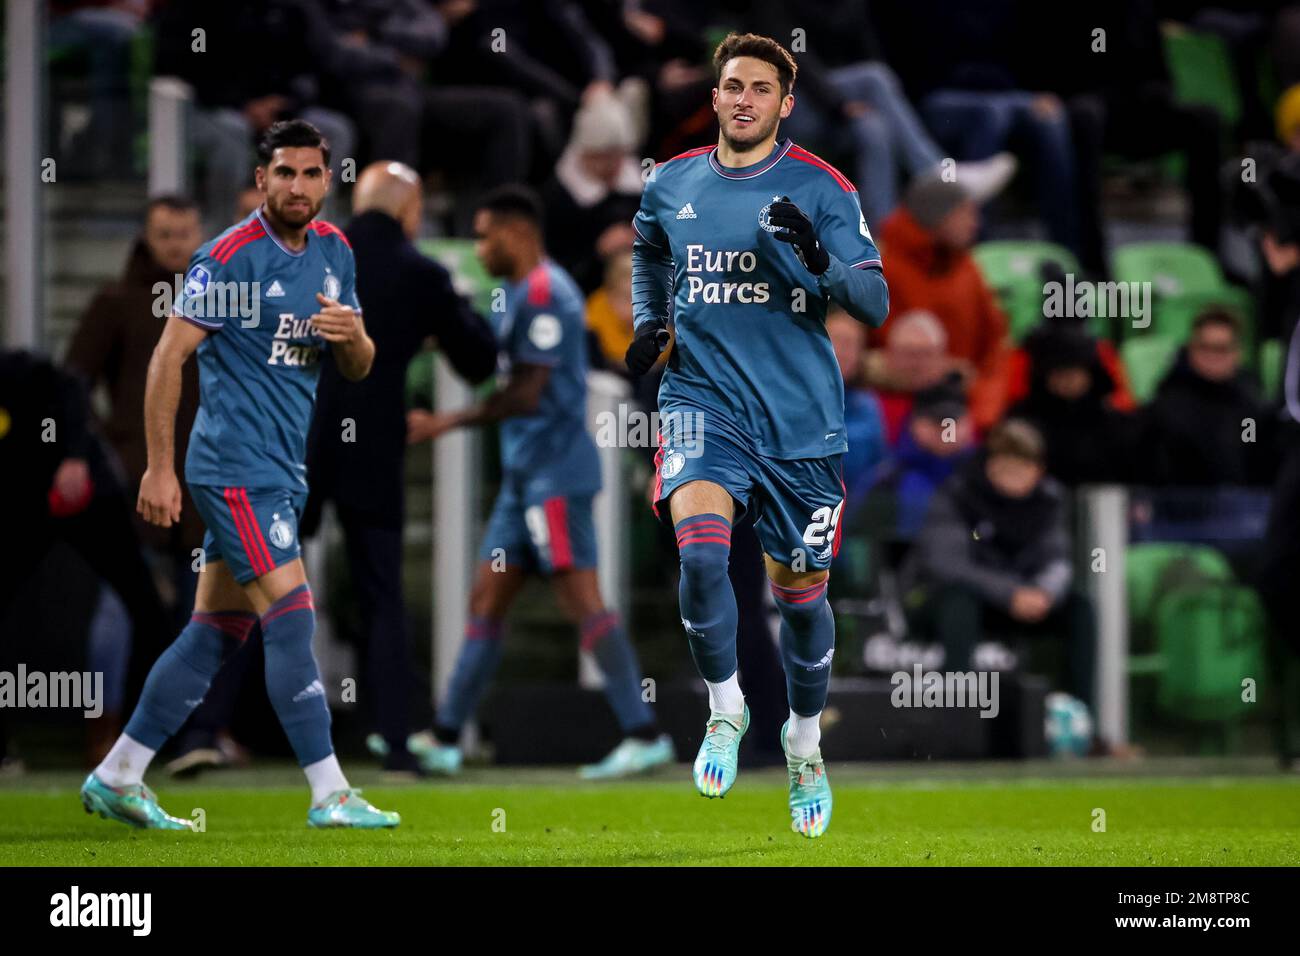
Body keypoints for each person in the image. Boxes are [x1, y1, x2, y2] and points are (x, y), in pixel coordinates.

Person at [80, 120, 399, 830]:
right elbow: (169, 358)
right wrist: (160, 469)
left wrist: (357, 338)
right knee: (291, 616)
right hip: (232, 468)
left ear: (327, 180)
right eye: (283, 173)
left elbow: (358, 364)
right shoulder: (228, 259)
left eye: (311, 173)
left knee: (216, 630)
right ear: (261, 180)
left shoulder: (335, 252)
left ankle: (120, 773)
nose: (297, 186)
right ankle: (330, 792)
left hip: (282, 470)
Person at [626, 33, 889, 838]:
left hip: (801, 425)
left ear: (784, 104)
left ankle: (804, 743)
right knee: (701, 553)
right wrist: (649, 321)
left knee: (800, 599)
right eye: (732, 85)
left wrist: (814, 259)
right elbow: (648, 249)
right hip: (702, 406)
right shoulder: (671, 182)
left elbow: (873, 304)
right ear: (714, 98)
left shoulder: (822, 188)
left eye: (760, 89)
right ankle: (726, 706)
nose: (744, 99)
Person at [407, 185, 673, 780]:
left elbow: (526, 393)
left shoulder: (550, 294)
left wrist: (445, 421)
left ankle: (644, 732)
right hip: (524, 482)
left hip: (555, 478)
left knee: (582, 601)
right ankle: (447, 737)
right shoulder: (514, 294)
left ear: (516, 233)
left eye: (484, 235)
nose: (479, 248)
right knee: (487, 599)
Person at [305, 160, 498, 775]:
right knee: (381, 594)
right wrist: (441, 328)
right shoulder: (419, 273)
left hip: (296, 438)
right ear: (410, 210)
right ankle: (393, 738)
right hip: (373, 446)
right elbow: (478, 359)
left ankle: (204, 726)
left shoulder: (310, 254)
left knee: (249, 576)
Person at [903, 419, 1097, 715]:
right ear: (990, 465)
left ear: (1038, 471)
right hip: (952, 599)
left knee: (1080, 607)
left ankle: (1081, 718)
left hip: (1022, 601)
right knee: (959, 603)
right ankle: (954, 720)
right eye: (1006, 468)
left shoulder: (1049, 500)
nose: (1013, 478)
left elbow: (1058, 559)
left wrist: (1044, 593)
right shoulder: (958, 494)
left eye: (1022, 470)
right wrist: (1010, 593)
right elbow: (948, 565)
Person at [869, 169, 1014, 431]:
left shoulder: (967, 268)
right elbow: (857, 355)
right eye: (965, 212)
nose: (975, 223)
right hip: (895, 413)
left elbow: (995, 349)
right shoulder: (881, 271)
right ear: (938, 218)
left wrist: (982, 417)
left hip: (968, 411)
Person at [1142, 309, 1276, 487]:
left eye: (1222, 349)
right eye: (1205, 347)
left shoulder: (1249, 407)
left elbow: (1252, 454)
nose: (1213, 356)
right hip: (1181, 505)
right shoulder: (1167, 406)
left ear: (1237, 353)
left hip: (1241, 505)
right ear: (1191, 350)